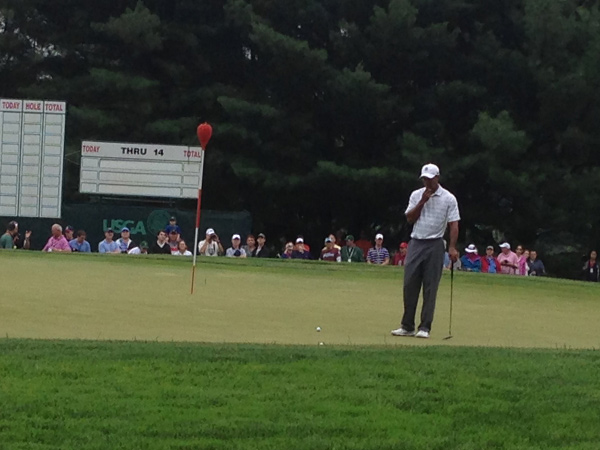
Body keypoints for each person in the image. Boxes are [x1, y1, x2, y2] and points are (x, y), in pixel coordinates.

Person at [391, 163, 460, 339]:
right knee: (409, 285)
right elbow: (410, 218)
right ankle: (407, 326)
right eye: (424, 179)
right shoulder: (416, 195)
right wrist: (423, 201)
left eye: (429, 179)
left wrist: (452, 247)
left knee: (430, 287)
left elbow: (454, 224)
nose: (427, 183)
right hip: (416, 242)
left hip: (436, 244)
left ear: (437, 178)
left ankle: (425, 327)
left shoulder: (449, 198)